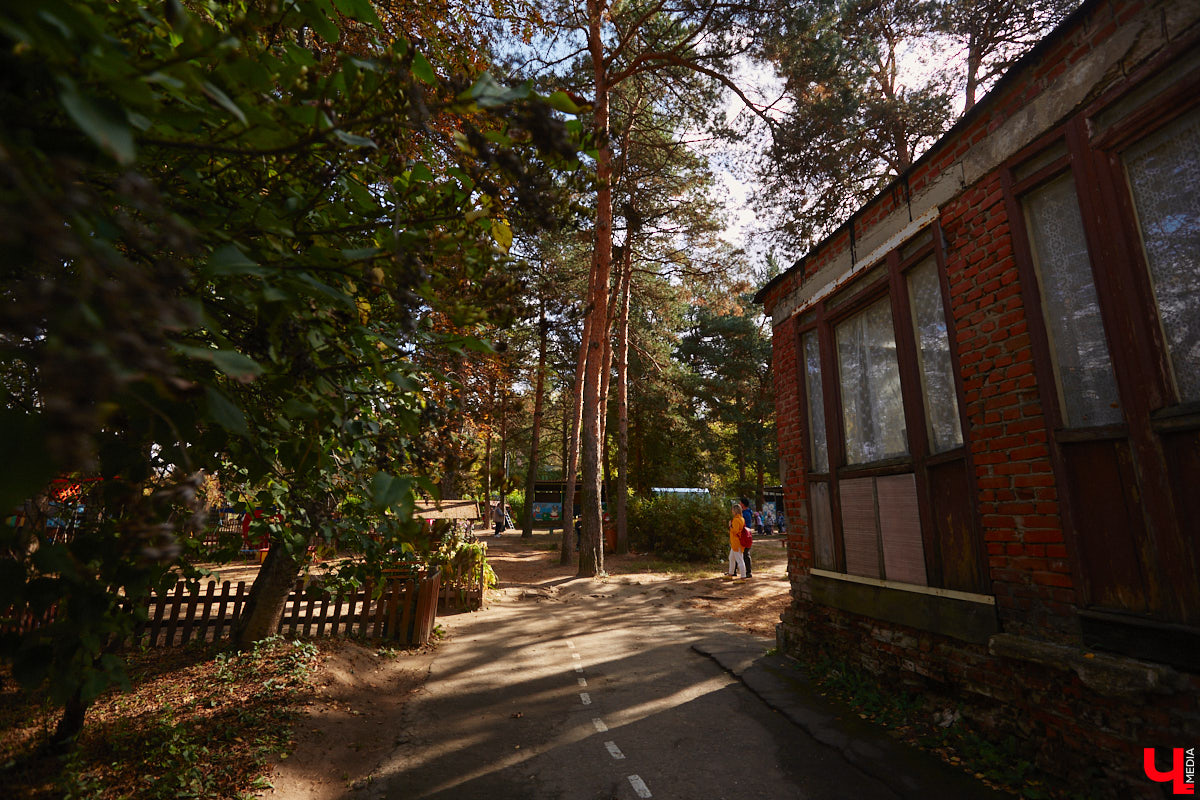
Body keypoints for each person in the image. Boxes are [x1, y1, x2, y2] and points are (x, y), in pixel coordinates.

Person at [726, 503, 747, 579]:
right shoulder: (742, 519)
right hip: (737, 542)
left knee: (740, 560)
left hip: (736, 542)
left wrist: (730, 526)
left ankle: (743, 577)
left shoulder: (735, 520)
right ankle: (730, 573)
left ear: (734, 511)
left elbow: (735, 531)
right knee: (731, 558)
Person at [740, 498, 754, 578]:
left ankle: (748, 572)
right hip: (745, 534)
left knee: (745, 553)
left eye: (740, 503)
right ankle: (733, 570)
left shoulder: (746, 514)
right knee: (737, 553)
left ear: (743, 504)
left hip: (745, 535)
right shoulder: (746, 512)